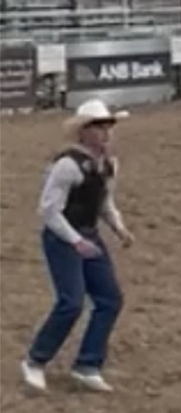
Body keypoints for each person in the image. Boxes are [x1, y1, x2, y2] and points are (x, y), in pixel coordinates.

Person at [20, 99, 136, 393]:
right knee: (70, 302)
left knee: (110, 299)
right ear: (83, 132)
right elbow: (49, 211)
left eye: (108, 126)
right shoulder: (67, 165)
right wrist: (76, 240)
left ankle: (88, 364)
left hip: (87, 235)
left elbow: (104, 202)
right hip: (62, 238)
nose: (105, 133)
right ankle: (35, 360)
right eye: (98, 127)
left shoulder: (108, 165)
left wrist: (119, 228)